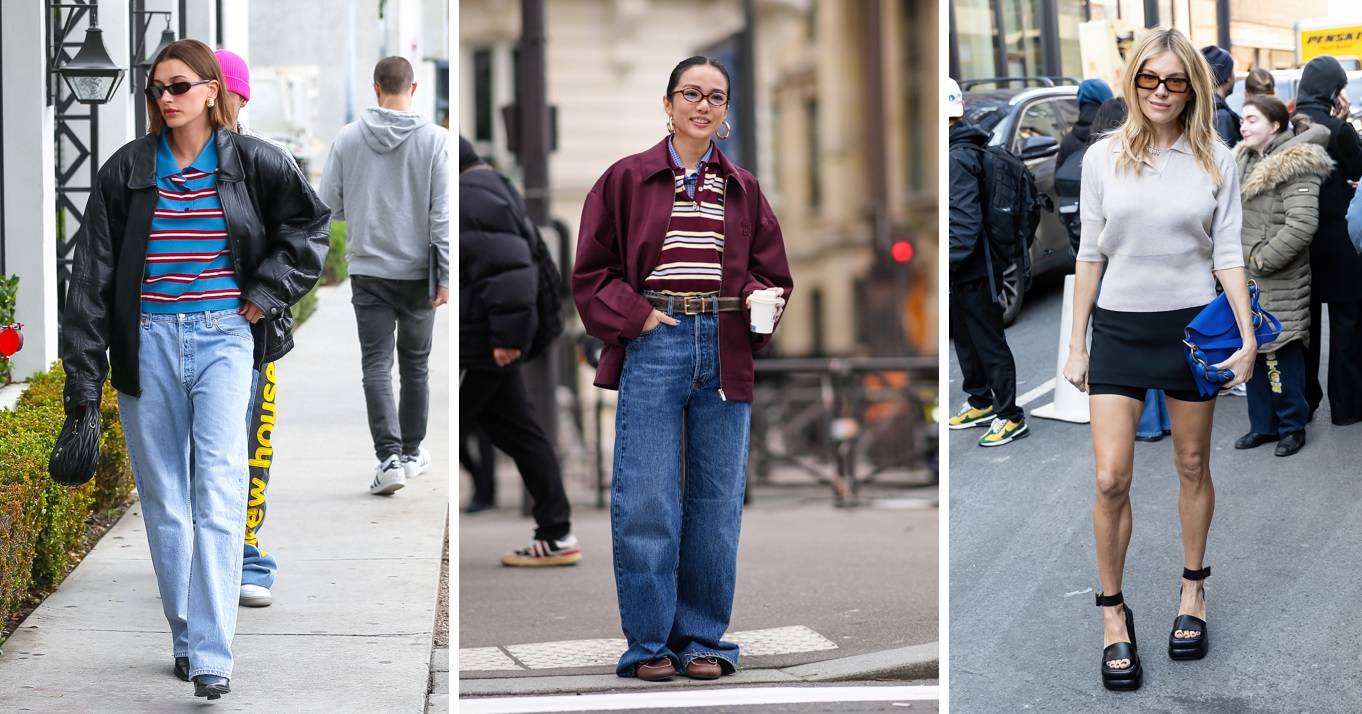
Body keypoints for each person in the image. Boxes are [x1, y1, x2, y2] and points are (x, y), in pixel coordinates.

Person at [60, 39, 330, 699]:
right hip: (145, 341)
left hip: (224, 339)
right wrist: (84, 386)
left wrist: (264, 293)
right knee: (165, 504)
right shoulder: (127, 170)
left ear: (213, 90)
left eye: (179, 86)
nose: (166, 99)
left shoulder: (257, 163)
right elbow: (90, 280)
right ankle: (188, 636)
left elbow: (310, 230)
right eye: (156, 89)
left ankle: (212, 654)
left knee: (219, 491)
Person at [572, 56, 792, 682]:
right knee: (645, 499)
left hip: (725, 343)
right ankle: (648, 644)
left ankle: (700, 640)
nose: (703, 104)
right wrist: (638, 318)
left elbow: (775, 275)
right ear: (667, 104)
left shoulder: (743, 188)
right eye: (691, 93)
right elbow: (590, 274)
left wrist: (761, 303)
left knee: (716, 503)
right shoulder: (625, 179)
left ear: (726, 113)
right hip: (656, 340)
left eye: (716, 97)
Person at [1062, 28, 1254, 691]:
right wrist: (1075, 340)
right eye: (1149, 79)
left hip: (1191, 329)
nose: (1161, 92)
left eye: (1174, 81)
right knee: (1111, 476)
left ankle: (1192, 591)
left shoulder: (1217, 160)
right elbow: (1091, 252)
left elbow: (1227, 252)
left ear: (1192, 86)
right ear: (1133, 82)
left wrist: (1249, 337)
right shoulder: (1102, 159)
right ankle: (1114, 614)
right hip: (1118, 325)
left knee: (1192, 462)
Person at [319, 57, 449, 495]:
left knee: (376, 364)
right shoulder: (436, 141)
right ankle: (412, 453)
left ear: (376, 88)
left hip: (369, 270)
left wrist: (364, 206)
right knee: (416, 365)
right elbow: (441, 215)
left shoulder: (348, 139)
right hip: (418, 272)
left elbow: (329, 206)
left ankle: (389, 459)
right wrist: (445, 273)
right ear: (412, 88)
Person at [459, 136, 578, 565]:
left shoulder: (471, 195)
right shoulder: (487, 184)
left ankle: (557, 530)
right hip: (485, 339)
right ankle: (556, 531)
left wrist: (507, 339)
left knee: (457, 427)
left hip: (483, 344)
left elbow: (508, 271)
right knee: (518, 431)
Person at [214, 48, 299, 610]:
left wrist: (264, 295)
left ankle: (246, 556)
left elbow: (302, 238)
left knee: (248, 447)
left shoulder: (266, 160)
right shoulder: (161, 163)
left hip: (251, 335)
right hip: (177, 331)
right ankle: (207, 556)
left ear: (239, 98)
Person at [1232, 95, 1331, 457]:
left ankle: (1292, 428)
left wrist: (1260, 259)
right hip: (1246, 276)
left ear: (1275, 125)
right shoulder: (1240, 159)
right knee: (1252, 351)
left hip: (1276, 275)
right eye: (1242, 119)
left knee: (1281, 353)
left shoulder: (1296, 162)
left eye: (1252, 120)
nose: (1243, 126)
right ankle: (1263, 426)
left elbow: (1302, 225)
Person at [946, 77, 1028, 446]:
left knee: (988, 341)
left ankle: (1011, 415)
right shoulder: (960, 149)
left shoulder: (957, 158)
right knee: (966, 339)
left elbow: (963, 226)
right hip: (968, 268)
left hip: (975, 270)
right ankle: (980, 401)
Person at [1293, 56, 1362, 424]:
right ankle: (1346, 406)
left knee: (1303, 327)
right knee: (1346, 324)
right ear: (1335, 91)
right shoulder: (1338, 129)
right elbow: (1357, 170)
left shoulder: (1289, 125)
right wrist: (1346, 121)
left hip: (1297, 237)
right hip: (1338, 240)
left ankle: (1303, 403)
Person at [1201, 45, 1240, 147]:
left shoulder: (1201, 107)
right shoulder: (1221, 116)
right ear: (1227, 77)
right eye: (1233, 72)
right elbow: (1223, 161)